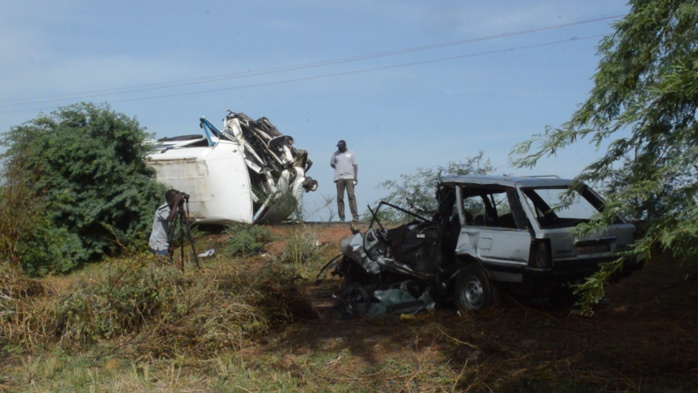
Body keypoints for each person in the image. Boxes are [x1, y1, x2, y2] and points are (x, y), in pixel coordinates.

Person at [149, 189, 186, 257]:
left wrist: (169, 245)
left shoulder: (171, 209)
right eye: (176, 197)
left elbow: (168, 229)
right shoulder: (162, 209)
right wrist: (176, 202)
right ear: (171, 199)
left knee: (167, 264)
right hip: (158, 244)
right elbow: (169, 219)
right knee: (164, 265)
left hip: (164, 243)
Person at [330, 139, 359, 222]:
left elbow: (355, 166)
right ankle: (342, 217)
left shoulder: (351, 153)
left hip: (349, 177)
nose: (339, 148)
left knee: (351, 196)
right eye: (338, 147)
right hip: (339, 177)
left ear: (345, 146)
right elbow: (332, 163)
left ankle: (355, 216)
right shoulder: (335, 154)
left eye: (341, 147)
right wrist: (338, 169)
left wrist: (355, 177)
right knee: (340, 197)